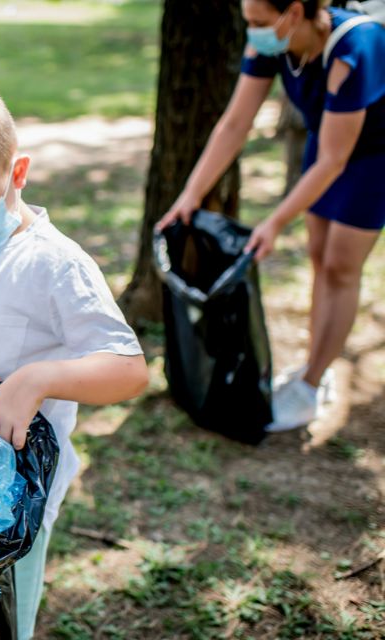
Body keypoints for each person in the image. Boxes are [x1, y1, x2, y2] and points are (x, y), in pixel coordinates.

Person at [0, 79, 150, 640]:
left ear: (18, 173)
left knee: (0, 625)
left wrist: (37, 378)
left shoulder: (54, 265)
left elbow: (129, 369)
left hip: (15, 501)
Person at [158, 0, 385, 432]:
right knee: (319, 256)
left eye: (258, 22)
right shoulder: (270, 45)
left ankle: (313, 383)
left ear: (294, 12)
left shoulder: (357, 46)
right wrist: (191, 193)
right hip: (329, 142)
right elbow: (235, 124)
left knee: (340, 266)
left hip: (373, 156)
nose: (252, 31)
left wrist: (275, 221)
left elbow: (336, 161)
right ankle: (313, 371)